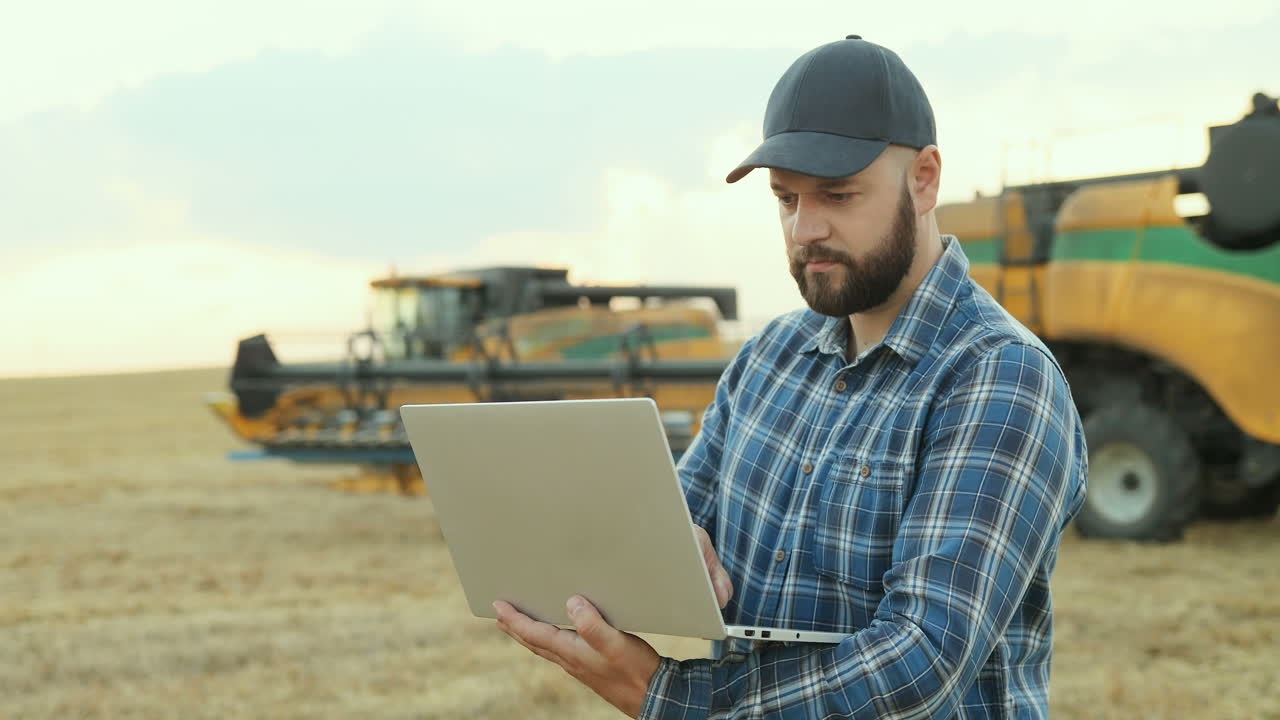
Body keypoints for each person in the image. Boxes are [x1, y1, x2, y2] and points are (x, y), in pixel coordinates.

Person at [494, 35, 1088, 719]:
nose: (805, 228)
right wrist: (663, 553)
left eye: (838, 195)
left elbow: (920, 659)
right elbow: (679, 520)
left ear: (924, 179)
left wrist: (677, 703)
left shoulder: (999, 378)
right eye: (785, 199)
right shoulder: (767, 359)